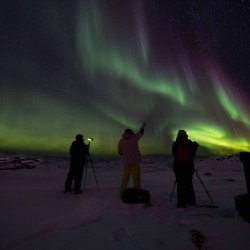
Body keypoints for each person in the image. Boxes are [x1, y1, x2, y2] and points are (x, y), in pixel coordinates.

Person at [118, 122, 146, 197]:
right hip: (135, 163)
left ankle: (122, 192)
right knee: (136, 178)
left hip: (126, 163)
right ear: (131, 133)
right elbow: (141, 132)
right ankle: (138, 192)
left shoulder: (121, 141)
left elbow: (120, 152)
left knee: (125, 179)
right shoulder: (134, 138)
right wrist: (143, 126)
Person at [172, 130, 199, 208]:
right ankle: (191, 201)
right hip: (189, 168)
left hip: (179, 168)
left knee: (180, 185)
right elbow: (196, 145)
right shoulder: (190, 143)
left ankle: (181, 204)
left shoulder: (175, 144)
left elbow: (174, 152)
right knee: (189, 184)